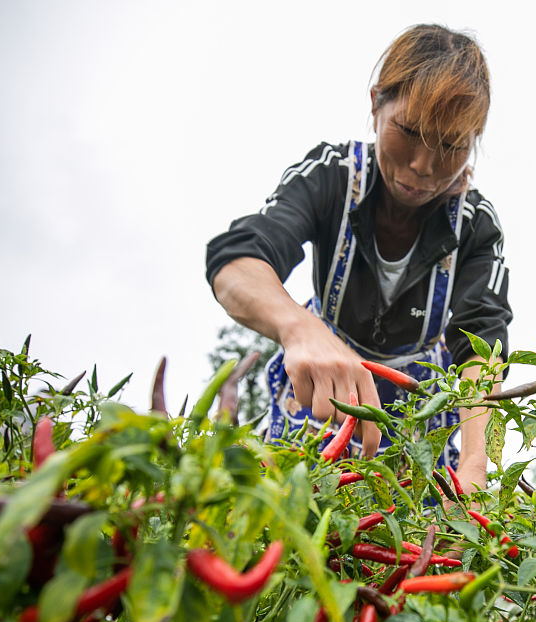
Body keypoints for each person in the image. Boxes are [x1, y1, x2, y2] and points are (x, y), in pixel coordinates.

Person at [206, 24, 510, 491]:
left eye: (451, 146)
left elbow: (481, 347)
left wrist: (475, 461)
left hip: (419, 408)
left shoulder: (474, 224)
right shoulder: (332, 175)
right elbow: (238, 262)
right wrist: (301, 329)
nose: (423, 167)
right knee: (293, 510)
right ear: (375, 104)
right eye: (408, 131)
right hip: (322, 391)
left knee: (412, 537)